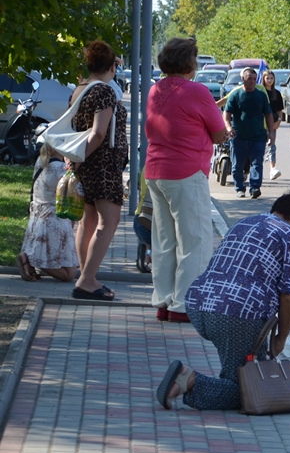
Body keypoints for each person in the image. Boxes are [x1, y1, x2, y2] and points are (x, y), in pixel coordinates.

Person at [157, 190, 290, 411]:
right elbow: (289, 296)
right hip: (236, 313)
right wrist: (280, 339)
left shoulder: (245, 223)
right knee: (255, 389)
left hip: (200, 303)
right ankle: (187, 379)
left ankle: (201, 380)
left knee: (247, 374)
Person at [146, 38, 228, 322]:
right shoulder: (197, 91)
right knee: (195, 239)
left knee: (164, 240)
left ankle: (163, 300)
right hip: (186, 171)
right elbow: (219, 132)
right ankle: (184, 305)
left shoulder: (155, 89)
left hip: (156, 171)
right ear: (189, 62)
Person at [70, 40, 128, 301]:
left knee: (88, 221)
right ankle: (86, 280)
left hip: (86, 164)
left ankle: (87, 276)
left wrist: (78, 160)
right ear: (112, 65)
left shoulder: (80, 89)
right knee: (108, 221)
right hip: (103, 165)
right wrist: (82, 158)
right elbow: (98, 132)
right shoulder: (104, 92)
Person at [17, 143, 78, 283]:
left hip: (38, 217)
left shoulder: (41, 161)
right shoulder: (60, 169)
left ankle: (32, 260)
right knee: (69, 275)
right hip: (55, 221)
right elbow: (75, 191)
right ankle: (30, 259)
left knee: (63, 265)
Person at [223, 67, 276, 199]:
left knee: (257, 163)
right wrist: (229, 127)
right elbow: (227, 114)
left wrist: (271, 132)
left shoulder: (261, 95)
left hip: (258, 136)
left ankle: (255, 188)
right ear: (243, 79)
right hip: (238, 136)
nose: (252, 81)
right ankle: (240, 188)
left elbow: (268, 115)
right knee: (238, 164)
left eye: (254, 79)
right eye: (249, 79)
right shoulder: (236, 95)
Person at [261, 69, 284, 180]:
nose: (269, 80)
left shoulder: (277, 93)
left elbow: (280, 110)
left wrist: (278, 121)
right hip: (261, 123)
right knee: (259, 146)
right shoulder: (260, 92)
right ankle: (256, 169)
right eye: (267, 78)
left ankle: (272, 169)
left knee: (271, 145)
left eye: (271, 78)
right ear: (263, 79)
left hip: (273, 123)